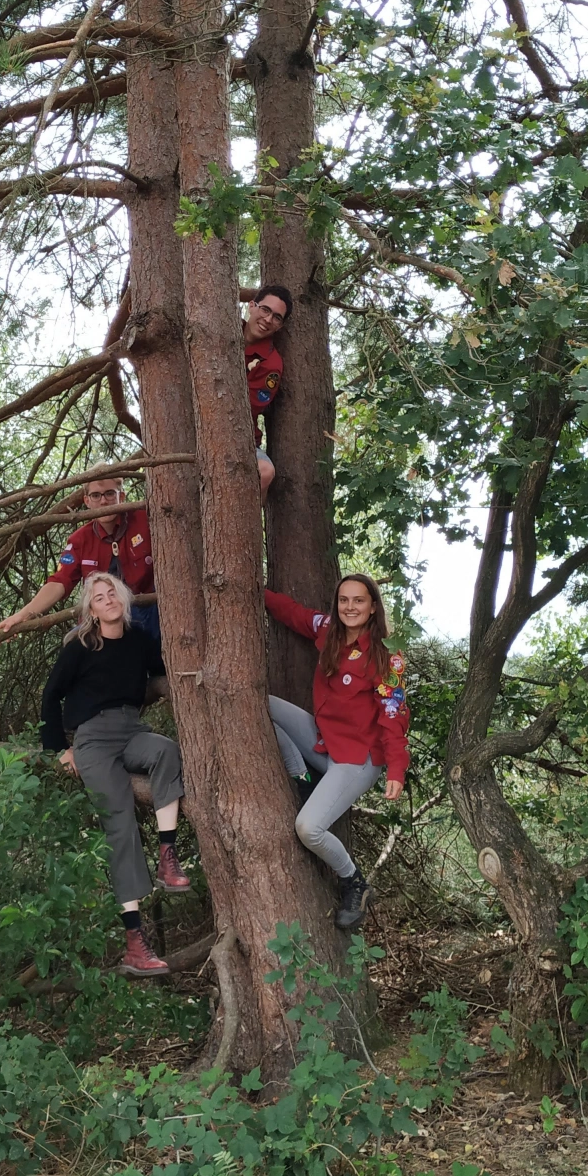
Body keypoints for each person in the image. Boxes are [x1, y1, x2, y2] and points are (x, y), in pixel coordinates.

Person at [39, 571, 189, 976]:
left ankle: (168, 858)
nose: (107, 600)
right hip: (93, 740)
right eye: (99, 597)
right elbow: (51, 697)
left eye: (112, 593)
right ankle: (135, 943)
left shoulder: (139, 641)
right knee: (120, 827)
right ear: (90, 609)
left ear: (123, 599)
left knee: (166, 751)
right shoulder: (80, 646)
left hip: (132, 730)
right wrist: (59, 749)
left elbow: (165, 664)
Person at [264, 574, 408, 930]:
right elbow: (294, 613)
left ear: (372, 607)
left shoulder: (387, 657)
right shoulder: (328, 628)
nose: (350, 607)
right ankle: (303, 778)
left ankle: (353, 881)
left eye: (359, 600)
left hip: (356, 760)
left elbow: (394, 716)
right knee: (258, 705)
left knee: (308, 828)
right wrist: (253, 591)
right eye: (344, 600)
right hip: (323, 740)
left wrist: (396, 770)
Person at [0, 474, 158, 641]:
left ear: (121, 496)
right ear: (87, 501)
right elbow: (59, 582)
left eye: (110, 493)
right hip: (102, 620)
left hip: (148, 612)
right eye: (96, 495)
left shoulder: (144, 520)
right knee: (73, 642)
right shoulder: (79, 540)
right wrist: (22, 615)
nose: (103, 501)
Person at [243, 284, 292, 503]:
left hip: (240, 439)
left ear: (280, 326)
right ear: (252, 306)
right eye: (265, 309)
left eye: (277, 317)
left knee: (265, 472)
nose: (268, 319)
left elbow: (248, 407)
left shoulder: (271, 363)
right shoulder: (222, 329)